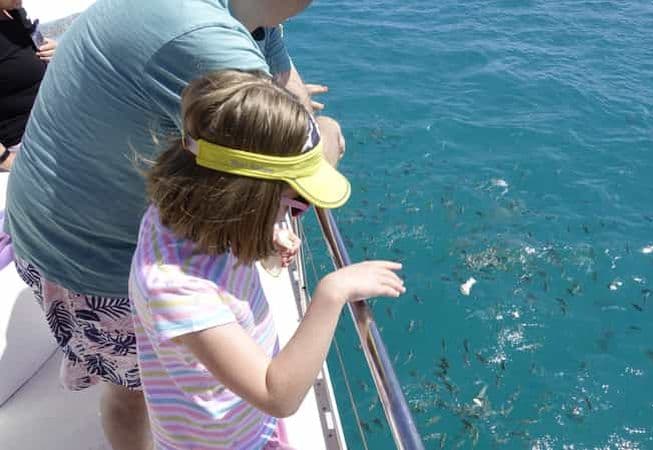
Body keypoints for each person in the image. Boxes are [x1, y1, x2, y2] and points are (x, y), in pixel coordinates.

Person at [3, 1, 345, 449]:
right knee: (133, 392)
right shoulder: (207, 43)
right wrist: (330, 136)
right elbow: (297, 169)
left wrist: (294, 116)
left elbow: (282, 104)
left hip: (48, 220)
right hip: (90, 269)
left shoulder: (241, 13)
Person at [130, 69, 404, 449]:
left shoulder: (187, 215)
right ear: (242, 199)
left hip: (243, 421)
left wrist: (266, 228)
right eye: (293, 202)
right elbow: (277, 395)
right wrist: (332, 291)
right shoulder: (176, 285)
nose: (295, 213)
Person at [0, 0, 57, 171]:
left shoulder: (14, 13)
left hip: (57, 126)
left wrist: (56, 52)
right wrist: (8, 161)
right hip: (30, 147)